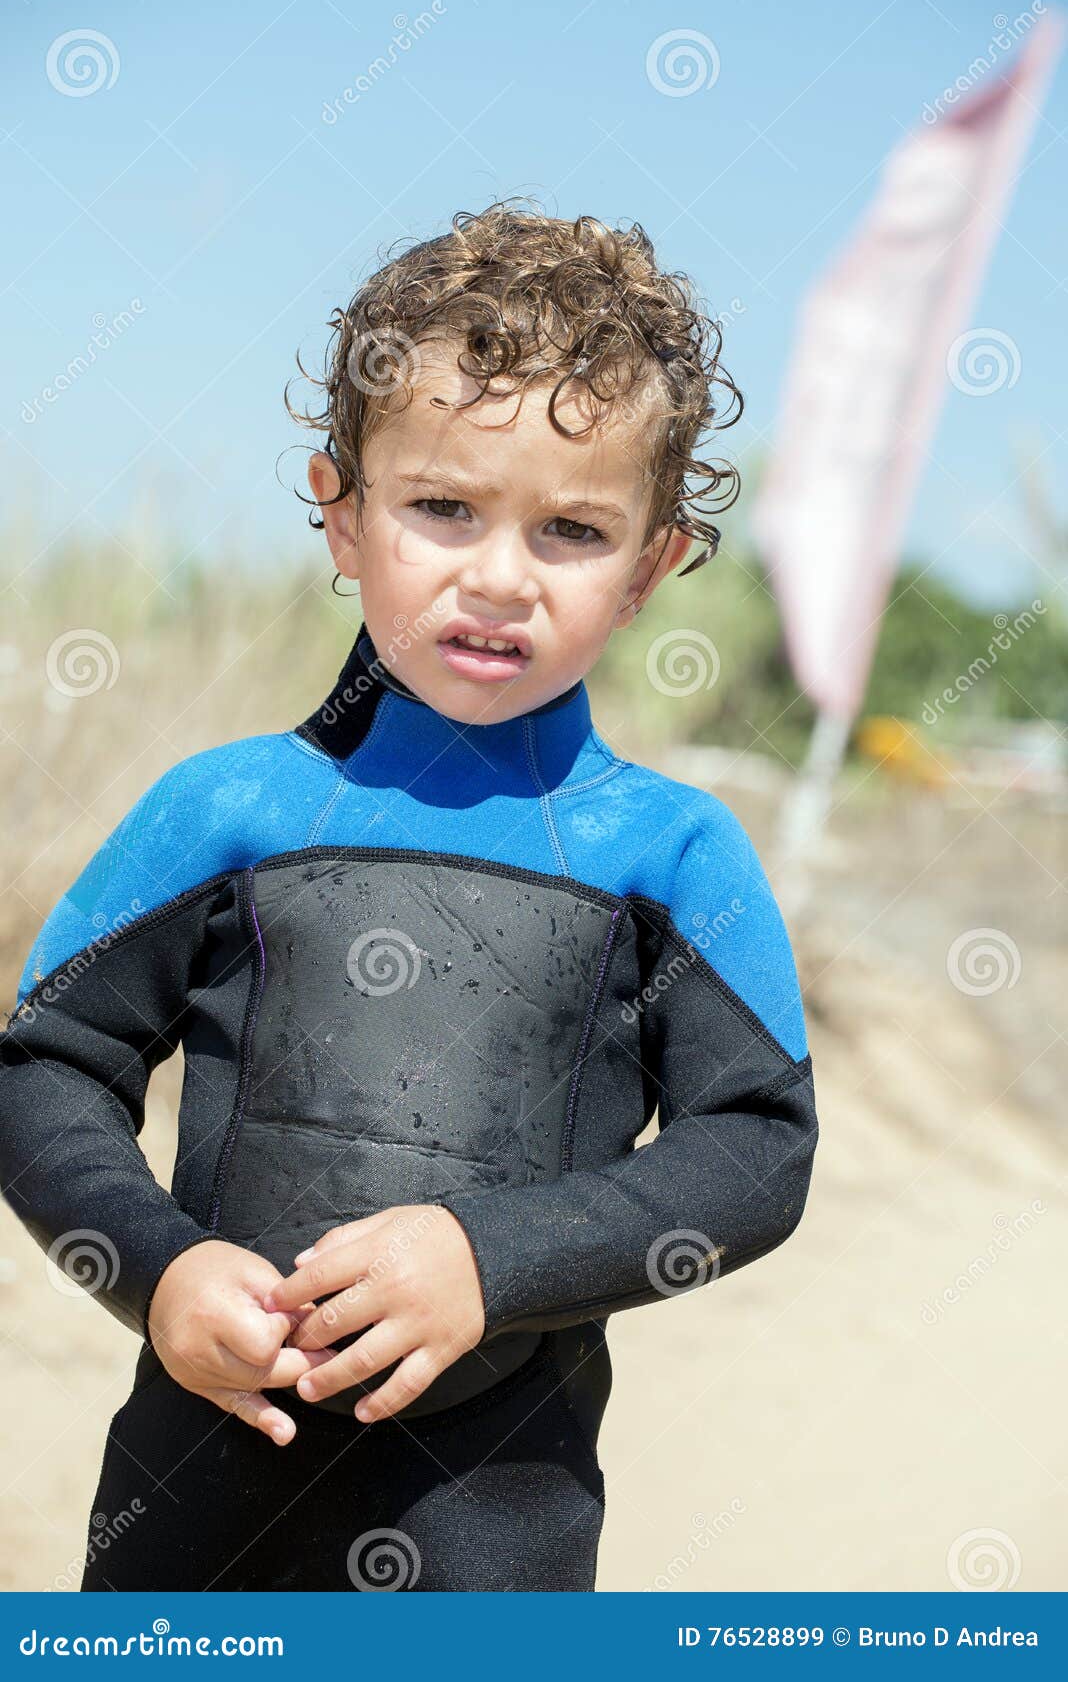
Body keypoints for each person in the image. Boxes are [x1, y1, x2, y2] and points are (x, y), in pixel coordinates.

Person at [0, 201, 818, 1592]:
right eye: (442, 506)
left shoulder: (670, 852)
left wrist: (490, 1257)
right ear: (342, 510)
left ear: (651, 568)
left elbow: (756, 1147)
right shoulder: (222, 810)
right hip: (190, 1508)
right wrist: (158, 1271)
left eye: (572, 528)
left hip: (496, 1529)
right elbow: (46, 1067)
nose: (497, 576)